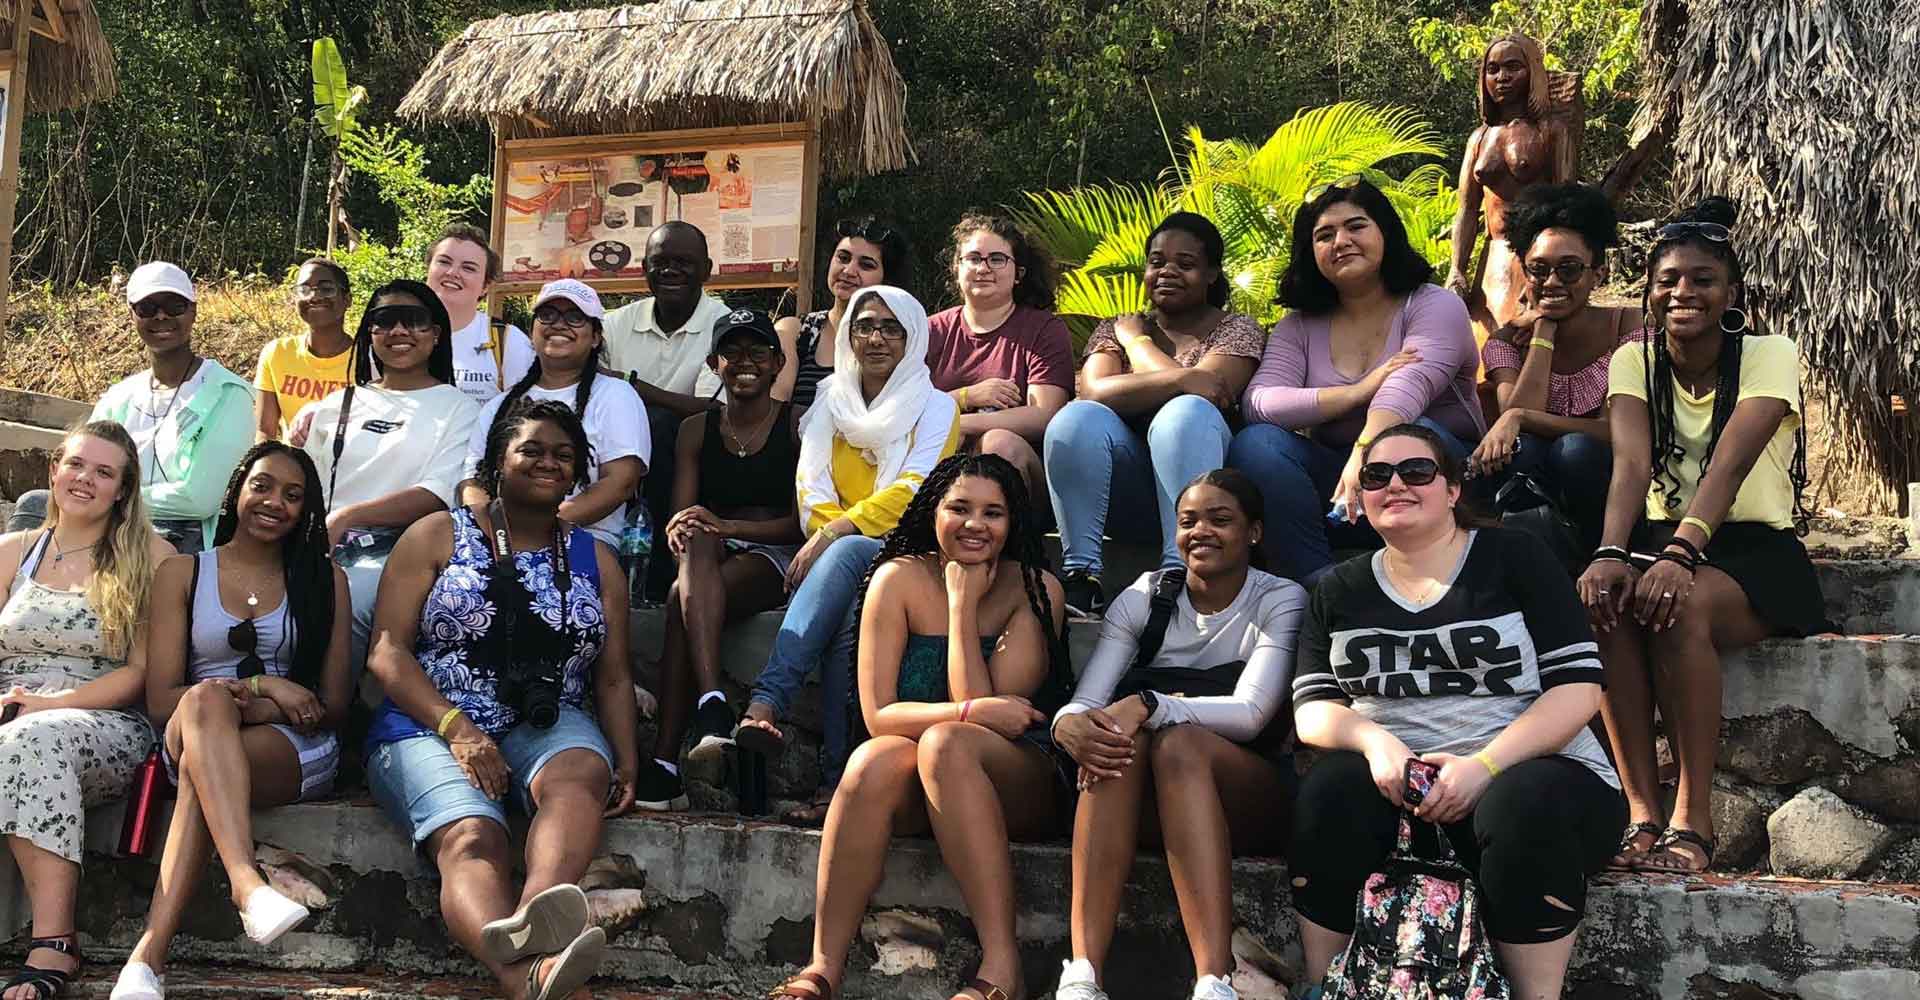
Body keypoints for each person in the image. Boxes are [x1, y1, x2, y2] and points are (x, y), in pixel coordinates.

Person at [1290, 423, 1624, 1000]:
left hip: (1531, 781)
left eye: (1416, 471)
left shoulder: (1515, 556)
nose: (1394, 484)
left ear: (1451, 490)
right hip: (1401, 793)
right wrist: (1379, 745)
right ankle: (1327, 986)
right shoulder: (1337, 590)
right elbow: (1313, 710)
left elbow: (1578, 691)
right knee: (1328, 791)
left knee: (1524, 801)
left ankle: (1534, 995)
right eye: (1376, 475)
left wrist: (1485, 767)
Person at [764, 453, 1071, 1000]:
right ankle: (822, 968)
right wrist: (970, 713)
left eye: (993, 513)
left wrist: (960, 605)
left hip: (1015, 777)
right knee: (872, 757)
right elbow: (880, 715)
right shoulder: (896, 579)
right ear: (933, 511)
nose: (975, 524)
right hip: (922, 773)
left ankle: (1004, 969)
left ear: (1013, 524)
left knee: (947, 744)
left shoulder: (1035, 587)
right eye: (959, 508)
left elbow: (991, 716)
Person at [1577, 198, 1824, 876]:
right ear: (1650, 292)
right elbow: (1629, 464)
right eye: (1669, 280)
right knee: (1601, 609)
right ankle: (1638, 812)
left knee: (1676, 604)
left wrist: (1680, 554)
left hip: (1752, 548)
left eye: (1702, 279)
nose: (1683, 292)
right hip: (1659, 535)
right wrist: (1608, 551)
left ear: (1731, 292)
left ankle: (1693, 819)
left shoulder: (1769, 355)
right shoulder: (1633, 360)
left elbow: (1730, 462)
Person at [363, 401, 638, 1000]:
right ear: (496, 461)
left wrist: (627, 757)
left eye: (564, 456)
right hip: (430, 717)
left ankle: (537, 916)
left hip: (547, 714)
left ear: (577, 474)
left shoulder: (599, 560)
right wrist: (457, 729)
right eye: (532, 450)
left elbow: (613, 678)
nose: (549, 463)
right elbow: (387, 653)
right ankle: (530, 978)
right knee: (471, 839)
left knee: (580, 773)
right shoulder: (438, 533)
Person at [110, 443, 354, 1000]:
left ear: (308, 510)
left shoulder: (324, 581)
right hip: (191, 723)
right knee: (203, 704)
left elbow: (332, 704)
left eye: (294, 496)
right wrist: (267, 686)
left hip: (292, 744)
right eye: (262, 486)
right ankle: (247, 885)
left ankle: (148, 957)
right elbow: (161, 699)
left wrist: (267, 707)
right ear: (237, 491)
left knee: (206, 757)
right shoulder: (182, 572)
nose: (275, 502)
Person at [1050, 469, 1305, 1000]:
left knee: (1177, 743)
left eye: (1220, 519)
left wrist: (1149, 704)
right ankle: (1082, 974)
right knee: (1113, 741)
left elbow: (1253, 712)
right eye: (1188, 521)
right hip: (1142, 798)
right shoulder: (1144, 597)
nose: (1201, 532)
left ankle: (1214, 981)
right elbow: (1089, 700)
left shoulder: (1280, 599)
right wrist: (1068, 723)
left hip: (1246, 795)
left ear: (1254, 532)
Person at [734, 286, 960, 827]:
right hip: (838, 554)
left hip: (909, 551)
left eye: (890, 327)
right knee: (847, 618)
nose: (875, 337)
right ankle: (836, 782)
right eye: (863, 326)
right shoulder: (830, 398)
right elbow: (810, 486)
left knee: (854, 552)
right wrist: (829, 530)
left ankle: (767, 703)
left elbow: (916, 490)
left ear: (912, 337)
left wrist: (835, 530)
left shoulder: (937, 406)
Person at [1229, 178, 1484, 585]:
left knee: (1412, 435)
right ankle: (1318, 584)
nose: (1341, 241)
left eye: (1356, 226)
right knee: (1257, 443)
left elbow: (1410, 383)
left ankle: (1431, 577)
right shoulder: (1298, 327)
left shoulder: (1434, 303)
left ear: (1385, 232)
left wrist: (1365, 452)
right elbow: (1260, 402)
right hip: (1343, 492)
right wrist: (1357, 392)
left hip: (1442, 480)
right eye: (1324, 235)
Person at [0, 422, 172, 1000]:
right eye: (76, 465)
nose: (85, 480)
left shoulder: (151, 557)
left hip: (102, 720)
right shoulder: (12, 553)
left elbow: (140, 674)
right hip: (11, 707)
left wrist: (49, 704)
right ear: (53, 470)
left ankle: (56, 941)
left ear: (123, 490)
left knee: (35, 737)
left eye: (104, 472)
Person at [1042, 213, 1264, 619]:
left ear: (1212, 273)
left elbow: (1212, 391)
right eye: (1157, 261)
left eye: (1185, 263)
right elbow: (1094, 391)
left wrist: (1137, 344)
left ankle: (1177, 571)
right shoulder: (1117, 327)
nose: (1167, 272)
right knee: (1076, 419)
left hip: (1207, 484)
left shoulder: (1236, 328)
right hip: (1122, 481)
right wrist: (1182, 378)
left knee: (1185, 413)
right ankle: (1081, 576)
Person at [638, 309, 803, 811]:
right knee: (694, 546)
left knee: (677, 597)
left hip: (774, 553)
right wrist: (693, 527)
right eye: (732, 352)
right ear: (714, 363)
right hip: (707, 553)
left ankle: (667, 759)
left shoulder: (796, 424)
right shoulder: (695, 429)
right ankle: (711, 704)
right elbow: (683, 516)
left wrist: (730, 527)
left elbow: (802, 522)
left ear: (778, 364)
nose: (745, 362)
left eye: (758, 352)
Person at [8, 263, 255, 555]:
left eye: (174, 305)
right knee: (34, 505)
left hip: (178, 532)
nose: (161, 315)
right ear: (132, 316)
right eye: (147, 307)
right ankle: (24, 593)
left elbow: (201, 499)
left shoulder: (228, 394)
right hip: (106, 513)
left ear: (193, 312)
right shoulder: (121, 395)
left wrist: (108, 497)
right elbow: (80, 461)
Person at [300, 280, 480, 674]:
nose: (399, 331)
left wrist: (348, 517)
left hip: (404, 553)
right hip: (322, 544)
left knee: (342, 604)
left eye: (414, 321)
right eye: (385, 321)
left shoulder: (461, 410)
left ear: (435, 335)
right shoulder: (337, 404)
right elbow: (305, 483)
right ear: (369, 334)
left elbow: (436, 495)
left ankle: (331, 719)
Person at [1470, 183, 1640, 548]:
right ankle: (1538, 564)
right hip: (1536, 500)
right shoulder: (1506, 342)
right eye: (1538, 270)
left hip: (1614, 488)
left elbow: (1619, 432)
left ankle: (1606, 554)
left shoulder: (1630, 328)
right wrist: (1544, 333)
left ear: (1599, 273)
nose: (1551, 282)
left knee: (1575, 450)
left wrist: (1520, 418)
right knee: (1523, 450)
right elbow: (1512, 426)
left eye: (1569, 269)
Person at [456, 280, 647, 549]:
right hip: (494, 542)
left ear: (595, 337)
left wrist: (534, 532)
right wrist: (491, 532)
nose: (558, 324)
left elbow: (621, 482)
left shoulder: (616, 395)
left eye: (575, 317)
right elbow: (472, 481)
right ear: (532, 331)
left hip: (585, 541)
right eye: (547, 315)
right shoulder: (498, 405)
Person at [927, 213, 1075, 500]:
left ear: (1018, 273)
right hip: (936, 464)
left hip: (1019, 473)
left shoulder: (1043, 329)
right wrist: (966, 396)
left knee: (998, 443)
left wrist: (961, 424)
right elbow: (902, 408)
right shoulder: (929, 330)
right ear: (956, 268)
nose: (983, 268)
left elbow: (1045, 415)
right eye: (973, 258)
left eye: (996, 259)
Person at [1445, 33, 1578, 340]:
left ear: (1532, 72)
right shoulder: (1479, 138)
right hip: (1492, 259)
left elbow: (1566, 204)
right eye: (1492, 69)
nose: (1501, 77)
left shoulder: (1551, 132)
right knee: (1482, 354)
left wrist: (1550, 272)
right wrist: (1457, 269)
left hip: (1538, 257)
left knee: (1529, 348)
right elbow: (1466, 209)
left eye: (1512, 67)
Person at [774, 216, 909, 410]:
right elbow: (775, 407)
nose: (848, 270)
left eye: (866, 265)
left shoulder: (896, 338)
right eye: (843, 258)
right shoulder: (796, 332)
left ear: (887, 278)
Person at [426, 223, 536, 404]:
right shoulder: (394, 332)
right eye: (444, 262)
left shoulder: (509, 341)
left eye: (468, 268)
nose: (453, 272)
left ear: (485, 286)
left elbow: (525, 419)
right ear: (428, 269)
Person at [254, 258, 355, 442]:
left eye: (326, 289)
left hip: (348, 468)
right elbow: (265, 431)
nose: (314, 297)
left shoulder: (369, 358)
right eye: (304, 290)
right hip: (292, 468)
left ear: (347, 299)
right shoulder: (277, 354)